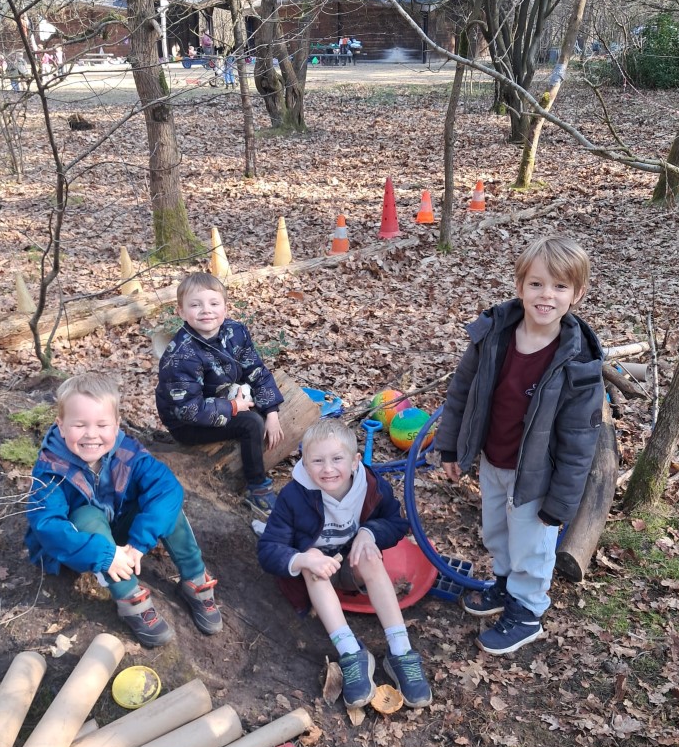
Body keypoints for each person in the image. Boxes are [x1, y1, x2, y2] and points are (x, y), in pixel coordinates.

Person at [436, 235, 604, 656]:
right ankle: (504, 584)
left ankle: (527, 611)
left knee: (532, 544)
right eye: (537, 284)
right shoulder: (494, 334)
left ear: (577, 294)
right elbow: (462, 392)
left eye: (560, 286)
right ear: (520, 286)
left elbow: (580, 440)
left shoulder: (579, 362)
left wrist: (561, 503)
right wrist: (451, 448)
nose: (546, 295)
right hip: (494, 459)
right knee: (497, 530)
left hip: (537, 478)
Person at [25, 373, 223, 647]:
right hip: (82, 543)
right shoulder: (50, 469)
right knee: (86, 514)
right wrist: (105, 555)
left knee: (165, 504)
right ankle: (130, 598)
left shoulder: (129, 452)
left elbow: (167, 488)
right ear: (61, 425)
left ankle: (194, 578)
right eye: (79, 425)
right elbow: (47, 526)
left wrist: (139, 544)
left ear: (117, 425)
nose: (91, 434)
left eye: (102, 425)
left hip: (122, 532)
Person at [258, 418, 432, 710]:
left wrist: (370, 532)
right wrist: (301, 558)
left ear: (354, 461)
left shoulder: (372, 486)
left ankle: (400, 649)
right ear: (304, 463)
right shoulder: (293, 496)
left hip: (353, 565)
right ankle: (351, 650)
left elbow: (396, 522)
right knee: (311, 564)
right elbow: (268, 548)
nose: (328, 469)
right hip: (319, 575)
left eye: (337, 459)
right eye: (317, 461)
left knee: (370, 554)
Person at [156, 273, 284, 518]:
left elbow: (256, 370)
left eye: (214, 303)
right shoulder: (181, 355)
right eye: (195, 305)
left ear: (225, 308)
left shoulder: (235, 332)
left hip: (219, 396)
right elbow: (188, 410)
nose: (206, 310)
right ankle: (257, 487)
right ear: (181, 311)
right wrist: (233, 407)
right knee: (251, 422)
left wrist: (272, 411)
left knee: (262, 410)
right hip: (187, 422)